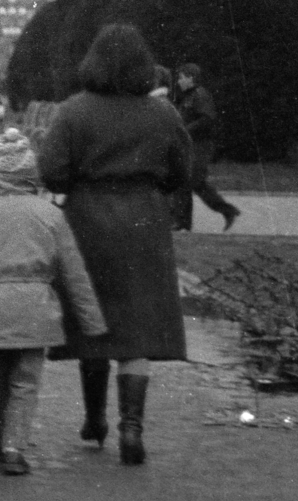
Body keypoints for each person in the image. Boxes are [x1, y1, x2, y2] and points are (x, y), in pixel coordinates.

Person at [37, 24, 191, 466]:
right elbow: (182, 172)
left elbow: (51, 172)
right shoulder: (162, 115)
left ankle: (94, 420)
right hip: (144, 223)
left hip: (88, 222)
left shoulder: (72, 111)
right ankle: (131, 428)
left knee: (95, 322)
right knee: (137, 329)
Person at [0, 128, 107, 475]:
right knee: (26, 381)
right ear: (31, 173)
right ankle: (14, 446)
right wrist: (92, 321)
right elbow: (74, 273)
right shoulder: (49, 214)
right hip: (36, 310)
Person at [173, 63, 240, 232]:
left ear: (191, 78)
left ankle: (184, 222)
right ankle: (185, 222)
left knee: (190, 180)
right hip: (192, 145)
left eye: (181, 77)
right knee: (192, 182)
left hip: (201, 145)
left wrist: (186, 130)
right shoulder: (188, 97)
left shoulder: (200, 95)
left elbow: (207, 118)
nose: (179, 81)